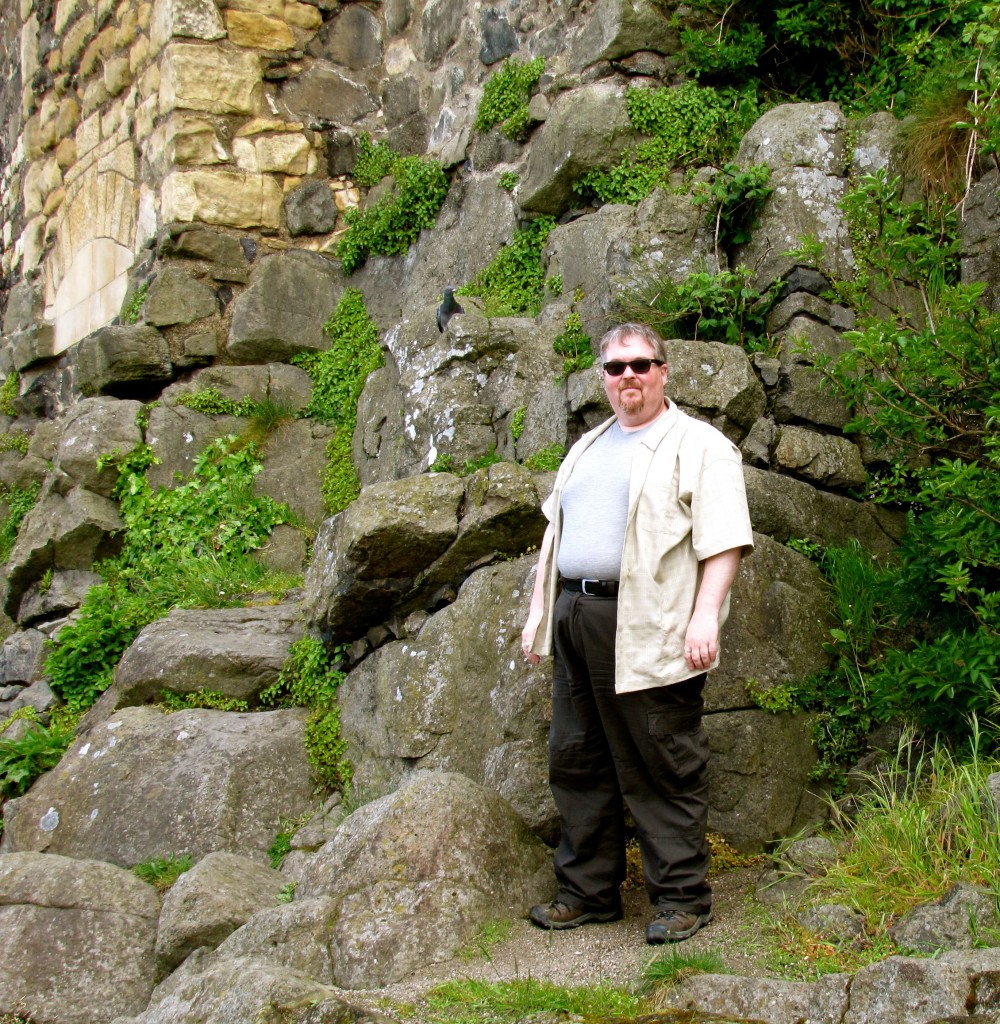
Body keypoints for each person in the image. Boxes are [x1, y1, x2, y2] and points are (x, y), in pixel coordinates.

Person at [520, 322, 753, 944]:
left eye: (642, 365)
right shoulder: (588, 446)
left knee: (661, 761)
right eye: (617, 367)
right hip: (576, 617)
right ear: (603, 377)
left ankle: (682, 899)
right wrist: (539, 614)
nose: (630, 377)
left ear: (663, 371)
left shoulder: (701, 446)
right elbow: (555, 536)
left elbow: (724, 538)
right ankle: (588, 892)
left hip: (649, 625)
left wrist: (706, 616)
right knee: (577, 760)